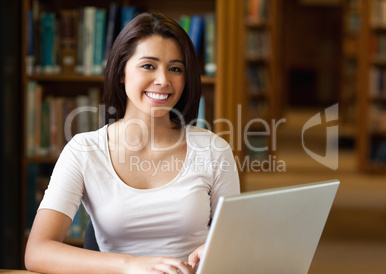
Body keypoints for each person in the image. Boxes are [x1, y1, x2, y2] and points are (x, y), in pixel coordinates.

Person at [25, 11, 240, 274]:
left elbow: (237, 243)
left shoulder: (214, 150)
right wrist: (131, 265)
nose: (163, 80)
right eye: (148, 65)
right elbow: (37, 251)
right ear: (121, 73)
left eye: (175, 68)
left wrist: (218, 249)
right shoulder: (84, 151)